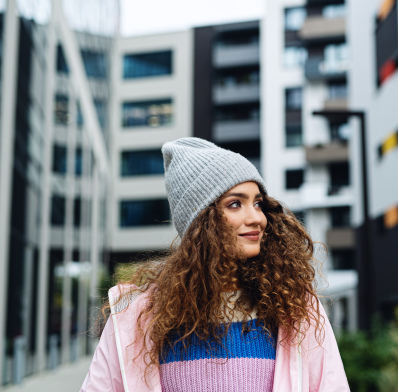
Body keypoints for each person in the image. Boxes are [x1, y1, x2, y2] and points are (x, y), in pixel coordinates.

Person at [80, 137, 350, 392]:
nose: (257, 217)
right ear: (201, 223)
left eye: (258, 203)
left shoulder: (295, 310)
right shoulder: (137, 317)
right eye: (235, 204)